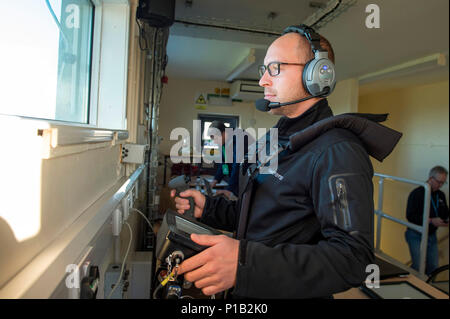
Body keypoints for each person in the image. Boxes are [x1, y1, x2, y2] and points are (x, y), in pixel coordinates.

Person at [170, 25, 401, 298]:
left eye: (275, 68)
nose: (263, 81)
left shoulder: (337, 151)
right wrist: (208, 208)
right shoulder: (275, 140)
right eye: (263, 70)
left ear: (316, 73)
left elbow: (352, 258)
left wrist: (245, 261)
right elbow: (260, 216)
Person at [405, 166, 449, 275]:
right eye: (439, 182)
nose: (440, 185)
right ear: (430, 178)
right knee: (418, 266)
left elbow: (444, 213)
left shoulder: (441, 194)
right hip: (415, 234)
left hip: (431, 235)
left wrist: (446, 220)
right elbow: (410, 216)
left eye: (443, 183)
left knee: (433, 268)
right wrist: (431, 220)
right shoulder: (417, 193)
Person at [208, 120, 253, 199]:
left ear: (223, 133)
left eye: (216, 139)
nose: (215, 142)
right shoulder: (223, 142)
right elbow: (224, 163)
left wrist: (229, 189)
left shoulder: (241, 137)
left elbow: (238, 165)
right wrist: (215, 180)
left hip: (248, 176)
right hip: (236, 177)